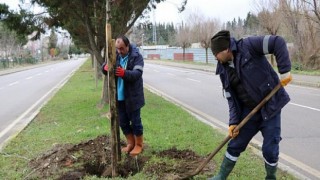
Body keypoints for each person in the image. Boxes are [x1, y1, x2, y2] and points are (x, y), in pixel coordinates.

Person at [209, 30, 292, 180]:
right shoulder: (222, 69)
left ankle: (271, 178)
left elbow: (277, 42)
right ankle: (220, 176)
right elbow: (231, 99)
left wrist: (285, 70)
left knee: (270, 150)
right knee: (235, 144)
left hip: (270, 107)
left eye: (216, 54)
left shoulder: (249, 46)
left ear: (226, 49)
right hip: (249, 111)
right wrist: (233, 122)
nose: (215, 57)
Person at [101, 35, 145, 156]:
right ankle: (130, 143)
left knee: (135, 122)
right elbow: (104, 67)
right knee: (123, 122)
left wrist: (124, 73)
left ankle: (139, 144)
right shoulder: (115, 55)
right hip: (119, 97)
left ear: (127, 46)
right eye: (117, 49)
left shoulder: (137, 57)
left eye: (122, 49)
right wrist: (104, 68)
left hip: (133, 97)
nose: (119, 51)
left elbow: (137, 74)